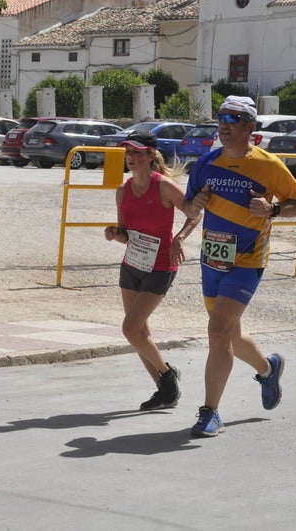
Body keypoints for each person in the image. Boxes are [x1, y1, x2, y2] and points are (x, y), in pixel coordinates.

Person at [182, 96, 296, 437]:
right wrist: (197, 203)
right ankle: (268, 370)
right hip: (212, 259)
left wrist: (274, 211)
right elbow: (189, 208)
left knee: (218, 331)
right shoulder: (206, 163)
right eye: (221, 116)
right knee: (230, 334)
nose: (224, 123)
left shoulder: (269, 165)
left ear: (249, 126)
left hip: (248, 259)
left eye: (233, 118)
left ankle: (210, 413)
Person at [104, 132, 200, 411]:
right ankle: (164, 389)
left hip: (160, 265)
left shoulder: (164, 187)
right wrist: (113, 233)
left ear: (150, 156)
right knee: (139, 332)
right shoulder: (122, 191)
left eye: (136, 153)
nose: (131, 158)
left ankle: (168, 377)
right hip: (132, 264)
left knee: (130, 329)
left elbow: (194, 213)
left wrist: (179, 238)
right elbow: (125, 233)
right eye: (128, 154)